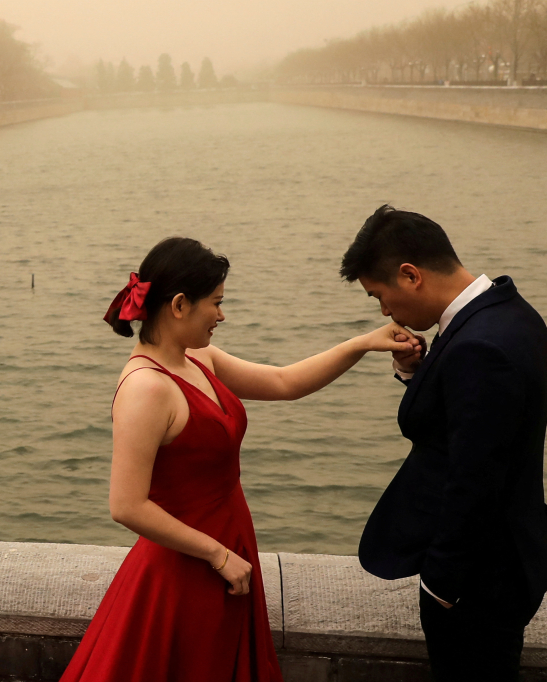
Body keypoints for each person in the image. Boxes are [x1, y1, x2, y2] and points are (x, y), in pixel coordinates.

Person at [61, 236, 419, 682]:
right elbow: (126, 506)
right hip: (187, 565)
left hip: (229, 544)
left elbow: (285, 382)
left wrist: (363, 344)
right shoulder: (146, 388)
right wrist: (217, 555)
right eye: (216, 303)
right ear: (179, 305)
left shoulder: (198, 359)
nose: (221, 315)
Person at [345, 205, 547, 680]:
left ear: (410, 275)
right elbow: (472, 427)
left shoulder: (479, 346)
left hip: (481, 578)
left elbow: (474, 479)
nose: (384, 311)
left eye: (380, 296)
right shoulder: (509, 312)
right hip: (505, 560)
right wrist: (416, 373)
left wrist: (441, 584)